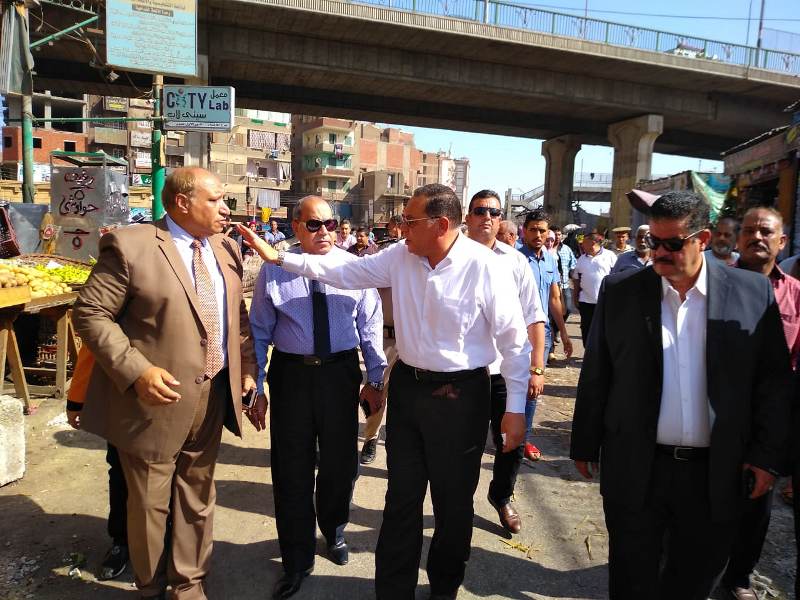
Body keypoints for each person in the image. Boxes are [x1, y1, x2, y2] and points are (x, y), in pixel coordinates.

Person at [238, 183, 532, 600]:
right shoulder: (399, 256)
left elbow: (515, 344)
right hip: (410, 390)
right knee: (401, 500)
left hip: (461, 395)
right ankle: (393, 590)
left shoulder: (486, 267)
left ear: (441, 225)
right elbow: (344, 273)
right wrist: (280, 258)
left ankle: (444, 587)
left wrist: (515, 408)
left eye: (410, 221)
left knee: (452, 504)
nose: (401, 228)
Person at [570, 190, 792, 600]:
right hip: (637, 467)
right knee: (631, 581)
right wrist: (585, 442)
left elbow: (772, 383)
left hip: (716, 474)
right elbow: (598, 372)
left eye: (672, 243)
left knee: (693, 581)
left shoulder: (751, 293)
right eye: (653, 241)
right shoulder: (622, 292)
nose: (659, 253)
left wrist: (767, 457)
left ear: (702, 239)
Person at [73, 167, 258, 600]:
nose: (225, 209)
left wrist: (247, 369)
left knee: (197, 497)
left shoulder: (226, 248)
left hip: (213, 394)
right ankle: (151, 587)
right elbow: (90, 314)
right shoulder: (131, 245)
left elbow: (238, 317)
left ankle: (189, 585)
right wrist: (137, 370)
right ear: (181, 203)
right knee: (149, 505)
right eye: (215, 200)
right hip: (152, 402)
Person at [248, 196, 386, 599]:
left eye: (331, 224)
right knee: (291, 469)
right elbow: (259, 330)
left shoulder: (353, 268)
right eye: (314, 224)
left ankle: (334, 528)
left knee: (340, 465)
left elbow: (370, 326)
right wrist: (257, 386)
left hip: (340, 375)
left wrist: (376, 380)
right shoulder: (274, 270)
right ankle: (296, 558)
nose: (325, 231)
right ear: (296, 227)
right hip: (291, 375)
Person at [721, 206, 800, 600]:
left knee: (756, 500)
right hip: (719, 409)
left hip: (770, 417)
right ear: (738, 239)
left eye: (766, 231)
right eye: (749, 230)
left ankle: (739, 575)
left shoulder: (796, 293)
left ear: (781, 241)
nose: (756, 237)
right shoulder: (716, 286)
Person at [465, 190, 546, 535]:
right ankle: (458, 503)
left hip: (506, 370)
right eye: (480, 210)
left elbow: (534, 316)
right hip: (465, 372)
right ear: (467, 216)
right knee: (463, 445)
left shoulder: (515, 261)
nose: (487, 217)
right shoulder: (452, 256)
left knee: (511, 440)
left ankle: (501, 495)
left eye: (494, 212)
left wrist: (536, 367)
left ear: (501, 219)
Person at [66, 346, 130, 581]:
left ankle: (169, 540)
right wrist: (77, 398)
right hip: (126, 397)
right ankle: (121, 541)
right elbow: (96, 342)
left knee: (176, 475)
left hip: (183, 393)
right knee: (121, 472)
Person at [519, 209, 573, 461]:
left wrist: (565, 333)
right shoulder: (515, 258)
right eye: (533, 230)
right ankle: (505, 431)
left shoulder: (550, 260)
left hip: (544, 335)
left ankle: (523, 439)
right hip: (517, 333)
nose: (538, 235)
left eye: (542, 230)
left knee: (533, 388)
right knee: (509, 386)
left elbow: (554, 298)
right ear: (524, 231)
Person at [573, 230, 616, 344]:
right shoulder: (581, 259)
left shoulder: (610, 256)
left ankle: (602, 353)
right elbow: (576, 280)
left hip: (605, 301)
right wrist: (575, 297)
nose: (581, 245)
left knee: (604, 330)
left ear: (593, 243)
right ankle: (588, 352)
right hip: (586, 302)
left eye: (584, 242)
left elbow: (616, 277)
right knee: (586, 329)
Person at [551, 224, 577, 341]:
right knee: (551, 311)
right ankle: (551, 335)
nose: (557, 237)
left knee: (568, 309)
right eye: (555, 234)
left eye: (559, 234)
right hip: (551, 286)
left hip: (564, 285)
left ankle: (556, 329)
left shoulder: (567, 249)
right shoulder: (546, 249)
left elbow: (573, 265)